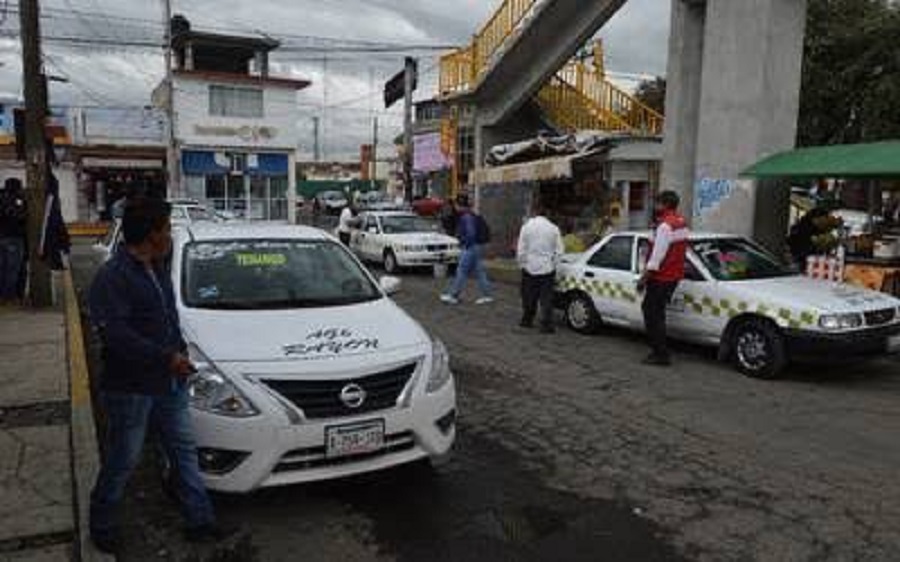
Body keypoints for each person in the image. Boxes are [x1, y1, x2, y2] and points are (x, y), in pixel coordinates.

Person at [88, 198, 233, 554]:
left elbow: (168, 318)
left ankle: (201, 520)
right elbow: (117, 335)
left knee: (184, 451)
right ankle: (102, 525)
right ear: (151, 234)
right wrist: (166, 358)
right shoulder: (113, 276)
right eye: (166, 228)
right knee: (125, 458)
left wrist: (180, 350)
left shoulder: (156, 265)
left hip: (170, 383)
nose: (170, 234)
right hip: (131, 389)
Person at [636, 190, 689, 366]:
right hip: (673, 276)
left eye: (657, 203)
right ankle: (661, 350)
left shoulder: (665, 226)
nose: (654, 206)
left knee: (651, 313)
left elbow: (656, 257)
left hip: (661, 277)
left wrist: (643, 279)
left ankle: (660, 353)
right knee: (658, 314)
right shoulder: (681, 222)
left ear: (664, 205)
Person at [516, 200, 564, 333]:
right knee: (546, 298)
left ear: (534, 212)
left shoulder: (526, 227)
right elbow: (559, 251)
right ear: (547, 214)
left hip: (529, 266)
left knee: (528, 296)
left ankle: (527, 319)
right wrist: (555, 266)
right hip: (546, 268)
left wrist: (522, 264)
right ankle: (546, 324)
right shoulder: (554, 228)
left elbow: (521, 249)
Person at [440, 194, 493, 305]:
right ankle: (487, 295)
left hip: (470, 247)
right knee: (479, 272)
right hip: (477, 246)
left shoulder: (466, 217)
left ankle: (453, 295)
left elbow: (470, 234)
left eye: (455, 204)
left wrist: (464, 243)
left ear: (459, 205)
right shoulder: (472, 215)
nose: (454, 207)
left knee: (461, 271)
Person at [0, 178, 27, 304]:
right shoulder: (17, 200)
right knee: (13, 269)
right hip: (14, 238)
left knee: (3, 268)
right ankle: (9, 296)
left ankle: (3, 295)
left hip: (2, 237)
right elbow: (20, 216)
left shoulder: (1, 197)